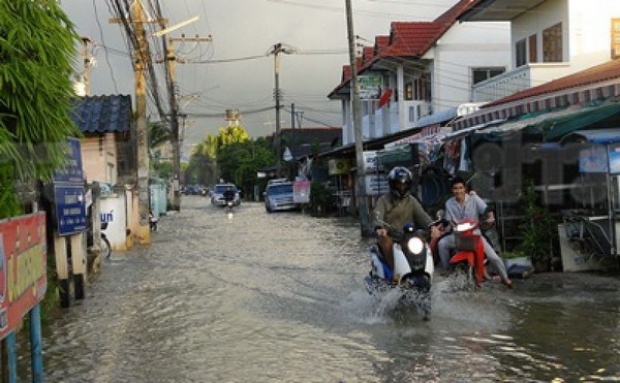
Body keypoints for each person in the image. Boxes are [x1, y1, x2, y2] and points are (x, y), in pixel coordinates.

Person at [437, 177, 513, 288]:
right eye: (455, 188)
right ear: (452, 190)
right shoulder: (449, 203)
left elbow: (487, 210)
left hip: (475, 234)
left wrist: (491, 218)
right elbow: (450, 220)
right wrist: (453, 227)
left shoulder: (474, 198)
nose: (458, 191)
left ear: (465, 189)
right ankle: (448, 270)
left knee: (494, 257)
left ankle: (505, 278)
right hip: (458, 236)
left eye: (460, 188)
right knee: (441, 244)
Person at [371, 166, 439, 272]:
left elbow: (422, 215)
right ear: (393, 184)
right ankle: (395, 272)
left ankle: (426, 269)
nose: (402, 187)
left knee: (422, 240)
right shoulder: (383, 200)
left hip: (407, 235)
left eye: (405, 184)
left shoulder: (411, 200)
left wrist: (432, 226)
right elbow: (377, 215)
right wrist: (379, 228)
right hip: (389, 235)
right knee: (385, 242)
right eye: (399, 184)